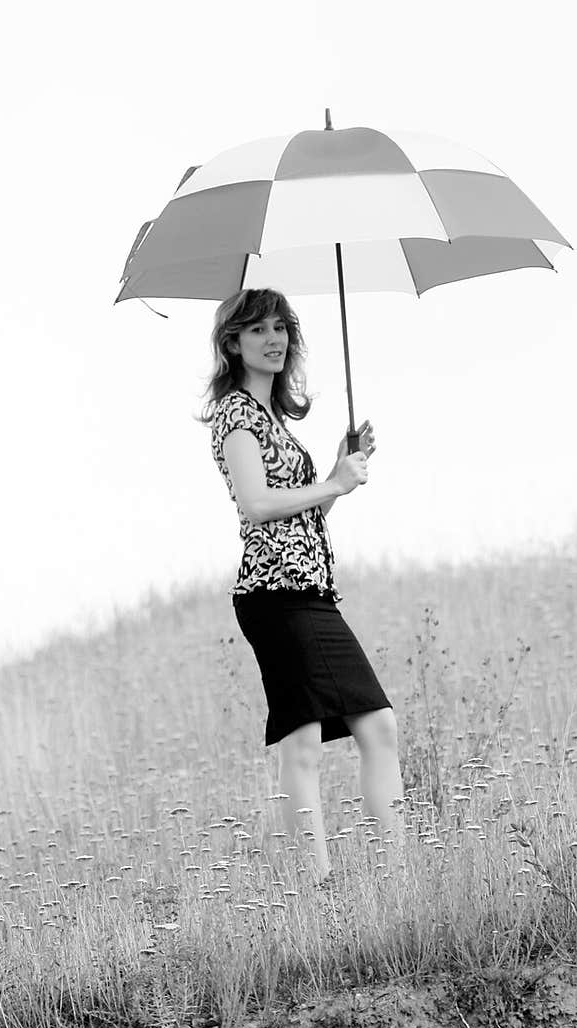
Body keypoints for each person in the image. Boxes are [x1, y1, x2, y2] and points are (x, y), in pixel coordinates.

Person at [197, 286, 405, 886]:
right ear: (233, 343)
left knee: (377, 725)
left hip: (309, 590)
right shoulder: (237, 415)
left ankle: (400, 881)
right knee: (303, 743)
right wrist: (333, 483)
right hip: (272, 596)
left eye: (281, 327)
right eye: (258, 329)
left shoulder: (275, 422)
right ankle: (318, 892)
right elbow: (258, 507)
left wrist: (340, 470)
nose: (274, 338)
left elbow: (301, 519)